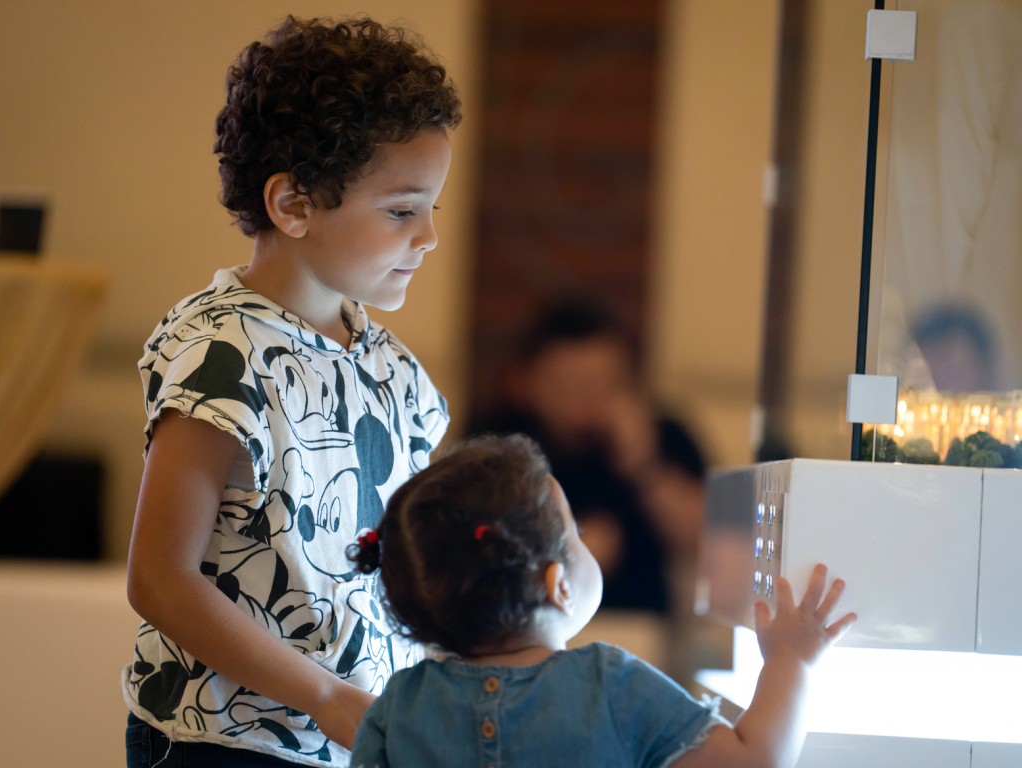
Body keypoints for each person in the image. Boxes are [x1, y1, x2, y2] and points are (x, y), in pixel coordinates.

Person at [122, 16, 461, 767]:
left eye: (432, 209)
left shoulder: (398, 374)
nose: (429, 236)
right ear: (294, 205)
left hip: (352, 743)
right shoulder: (221, 350)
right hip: (224, 743)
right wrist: (324, 697)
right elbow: (160, 580)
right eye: (402, 210)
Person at [348, 434, 857, 768]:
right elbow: (753, 761)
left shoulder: (400, 706)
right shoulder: (610, 684)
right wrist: (791, 660)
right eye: (577, 533)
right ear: (559, 587)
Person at [469, 299, 707, 615]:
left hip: (639, 626)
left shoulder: (661, 434)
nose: (590, 398)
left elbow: (708, 544)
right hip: (526, 623)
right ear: (525, 382)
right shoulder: (494, 442)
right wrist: (568, 553)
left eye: (607, 382)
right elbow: (464, 552)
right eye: (570, 384)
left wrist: (643, 464)